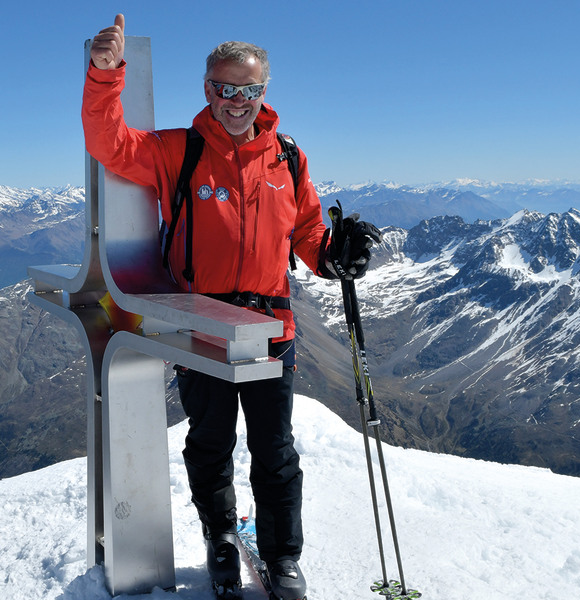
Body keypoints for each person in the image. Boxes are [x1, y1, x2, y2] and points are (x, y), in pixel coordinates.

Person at [83, 14, 378, 600]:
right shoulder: (179, 151)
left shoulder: (288, 159)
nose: (236, 101)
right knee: (211, 442)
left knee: (275, 450)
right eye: (224, 88)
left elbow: (309, 236)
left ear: (264, 92)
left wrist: (336, 257)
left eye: (248, 90)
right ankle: (220, 536)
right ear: (207, 89)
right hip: (201, 328)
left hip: (271, 330)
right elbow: (110, 144)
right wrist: (104, 73)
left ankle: (282, 557)